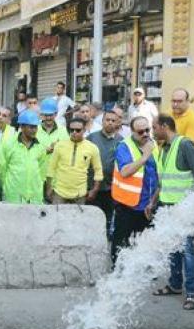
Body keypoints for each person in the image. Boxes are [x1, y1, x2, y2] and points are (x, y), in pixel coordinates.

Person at [151, 114, 194, 310]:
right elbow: (165, 181)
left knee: (187, 250)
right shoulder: (164, 148)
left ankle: (192, 293)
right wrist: (154, 202)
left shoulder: (184, 145)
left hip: (184, 208)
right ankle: (175, 285)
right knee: (173, 248)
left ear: (165, 126)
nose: (152, 131)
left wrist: (192, 207)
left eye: (154, 127)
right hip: (167, 207)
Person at [110, 116, 159, 265]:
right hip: (127, 204)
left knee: (144, 243)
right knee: (121, 242)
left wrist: (153, 201)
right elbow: (125, 172)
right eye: (140, 131)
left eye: (147, 130)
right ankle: (117, 271)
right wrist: (144, 156)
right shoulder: (124, 146)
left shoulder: (154, 145)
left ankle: (141, 270)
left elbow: (158, 175)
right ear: (132, 132)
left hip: (148, 204)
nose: (145, 134)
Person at [46, 117, 103, 204]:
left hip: (80, 194)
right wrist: (49, 188)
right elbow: (51, 168)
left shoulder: (92, 148)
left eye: (78, 130)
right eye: (71, 130)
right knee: (57, 217)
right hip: (59, 192)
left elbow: (98, 170)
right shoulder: (60, 145)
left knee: (78, 218)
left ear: (84, 130)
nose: (74, 133)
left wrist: (95, 190)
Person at [87, 109, 124, 238]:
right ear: (102, 121)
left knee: (108, 216)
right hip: (93, 187)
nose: (110, 123)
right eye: (107, 120)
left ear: (118, 123)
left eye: (113, 121)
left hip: (111, 187)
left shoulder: (121, 141)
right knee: (93, 217)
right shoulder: (92, 138)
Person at [2, 110, 46, 204]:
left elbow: (42, 171)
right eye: (31, 127)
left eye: (35, 127)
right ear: (22, 127)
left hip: (35, 197)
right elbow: (2, 169)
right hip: (14, 197)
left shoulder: (40, 146)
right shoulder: (9, 144)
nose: (34, 130)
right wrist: (6, 188)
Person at [37, 98, 69, 178]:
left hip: (57, 177)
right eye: (46, 115)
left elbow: (68, 151)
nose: (48, 118)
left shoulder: (63, 131)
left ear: (56, 114)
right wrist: (45, 151)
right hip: (38, 177)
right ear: (41, 115)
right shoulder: (34, 130)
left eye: (50, 115)